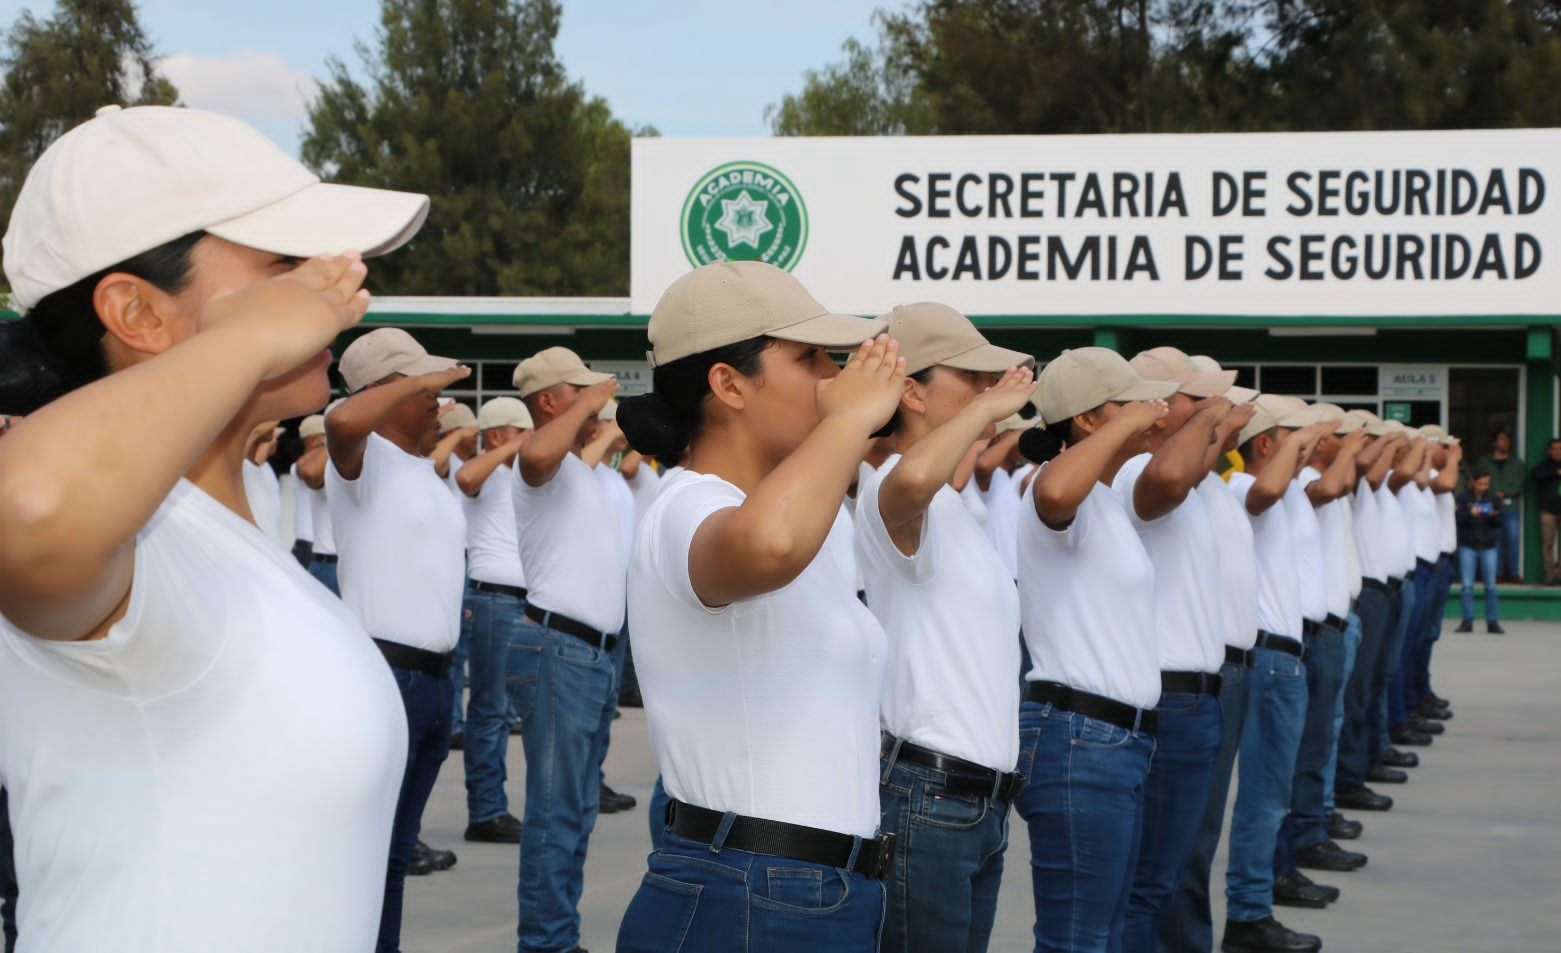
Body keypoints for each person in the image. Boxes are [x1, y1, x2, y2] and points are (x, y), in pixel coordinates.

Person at [0, 104, 428, 951]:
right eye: (283, 262)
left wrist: (262, 317)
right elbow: (28, 509)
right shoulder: (129, 540)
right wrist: (256, 336)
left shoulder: (222, 522)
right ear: (139, 314)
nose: (333, 282)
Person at [615, 260, 900, 953]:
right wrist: (852, 417)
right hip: (750, 892)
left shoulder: (805, 516)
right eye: (809, 358)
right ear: (727, 383)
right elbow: (766, 545)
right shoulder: (686, 504)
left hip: (802, 891)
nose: (833, 377)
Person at [855, 302, 1034, 953]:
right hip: (929, 796)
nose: (992, 391)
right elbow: (916, 474)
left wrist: (978, 414)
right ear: (911, 391)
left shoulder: (953, 506)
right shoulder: (885, 489)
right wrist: (987, 412)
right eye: (973, 377)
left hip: (974, 804)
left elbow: (938, 473)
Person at [1013, 347, 1176, 953]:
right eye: (1132, 403)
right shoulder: (1052, 489)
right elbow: (1054, 490)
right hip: (1081, 738)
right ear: (1087, 420)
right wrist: (1129, 424)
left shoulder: (1105, 500)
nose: (1151, 413)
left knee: (1101, 931)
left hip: (1112, 741)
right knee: (1077, 938)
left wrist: (1126, 420)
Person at [325, 327, 471, 953]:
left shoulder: (419, 470)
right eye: (424, 389)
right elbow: (340, 421)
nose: (438, 400)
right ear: (387, 392)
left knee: (390, 859)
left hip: (434, 681)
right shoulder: (364, 461)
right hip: (389, 676)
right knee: (362, 860)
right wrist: (411, 380)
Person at [1115, 347, 1244, 951]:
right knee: (1148, 885)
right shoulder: (1136, 469)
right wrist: (1200, 422)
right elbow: (1168, 476)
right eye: (1201, 398)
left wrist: (1205, 425)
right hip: (1168, 695)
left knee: (1167, 874)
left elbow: (1188, 468)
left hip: (1193, 697)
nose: (1215, 409)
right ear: (1165, 405)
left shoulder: (1185, 469)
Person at [508, 345, 626, 953]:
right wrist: (589, 400)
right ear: (551, 400)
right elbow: (534, 451)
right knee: (557, 813)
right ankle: (547, 944)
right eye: (576, 390)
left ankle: (557, 936)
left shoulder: (576, 467)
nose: (595, 399)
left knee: (575, 812)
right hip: (560, 647)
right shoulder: (541, 464)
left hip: (588, 655)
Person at [1222, 396, 1334, 953]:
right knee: (1264, 795)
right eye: (1294, 437)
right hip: (1269, 659)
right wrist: (1298, 440)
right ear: (1267, 443)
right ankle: (1248, 911)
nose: (1309, 445)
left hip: (1284, 655)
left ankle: (1257, 897)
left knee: (1274, 790)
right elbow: (1264, 489)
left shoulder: (1288, 490)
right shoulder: (1247, 488)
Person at [452, 397, 535, 845]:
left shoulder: (514, 475)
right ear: (499, 434)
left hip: (516, 602)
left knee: (500, 710)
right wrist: (511, 448)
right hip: (492, 601)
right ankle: (485, 809)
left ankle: (491, 806)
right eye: (520, 432)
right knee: (489, 708)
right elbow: (466, 477)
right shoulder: (483, 471)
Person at [294, 410, 341, 594]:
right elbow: (308, 470)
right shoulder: (301, 467)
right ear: (314, 442)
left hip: (329, 559)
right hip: (321, 558)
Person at [1456, 471, 1505, 634]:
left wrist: (1493, 515)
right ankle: (1467, 621)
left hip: (1488, 546)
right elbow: (1458, 521)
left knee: (1490, 586)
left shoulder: (1494, 498)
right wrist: (1469, 514)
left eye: (1486, 484)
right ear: (1473, 482)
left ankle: (1492, 622)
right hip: (1468, 545)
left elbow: (1500, 522)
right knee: (1467, 586)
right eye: (1481, 483)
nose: (1483, 487)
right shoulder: (1463, 498)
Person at [1477, 428, 1525, 582]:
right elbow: (1477, 479)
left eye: (1507, 439)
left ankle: (1513, 573)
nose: (1505, 442)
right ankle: (1496, 573)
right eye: (1501, 439)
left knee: (1512, 538)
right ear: (1494, 442)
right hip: (1489, 506)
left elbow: (1521, 484)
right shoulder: (1485, 462)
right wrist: (1490, 494)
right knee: (1493, 539)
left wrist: (1505, 493)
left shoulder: (1517, 463)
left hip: (1510, 506)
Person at [1529, 438, 1561, 584]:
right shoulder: (1544, 466)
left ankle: (1559, 574)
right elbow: (1536, 475)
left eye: (1560, 448)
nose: (1557, 451)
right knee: (1548, 544)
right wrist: (1556, 472)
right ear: (1549, 451)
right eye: (1554, 448)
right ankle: (1550, 576)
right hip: (1548, 511)